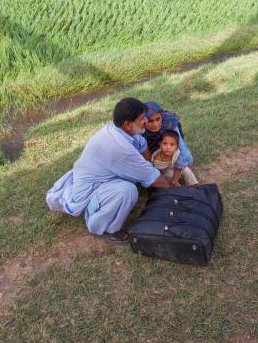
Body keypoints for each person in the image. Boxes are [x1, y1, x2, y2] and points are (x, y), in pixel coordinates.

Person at [46, 97, 170, 244]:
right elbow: (157, 180)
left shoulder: (117, 129)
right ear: (128, 125)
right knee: (128, 191)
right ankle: (103, 228)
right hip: (90, 191)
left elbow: (142, 148)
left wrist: (149, 169)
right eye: (142, 118)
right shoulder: (120, 148)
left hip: (98, 177)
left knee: (134, 181)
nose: (146, 121)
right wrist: (178, 193)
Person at [142, 101, 194, 186]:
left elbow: (184, 153)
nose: (155, 124)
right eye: (150, 121)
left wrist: (175, 179)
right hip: (156, 161)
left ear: (161, 116)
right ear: (143, 121)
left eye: (158, 119)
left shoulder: (169, 123)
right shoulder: (139, 132)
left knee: (188, 160)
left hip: (170, 153)